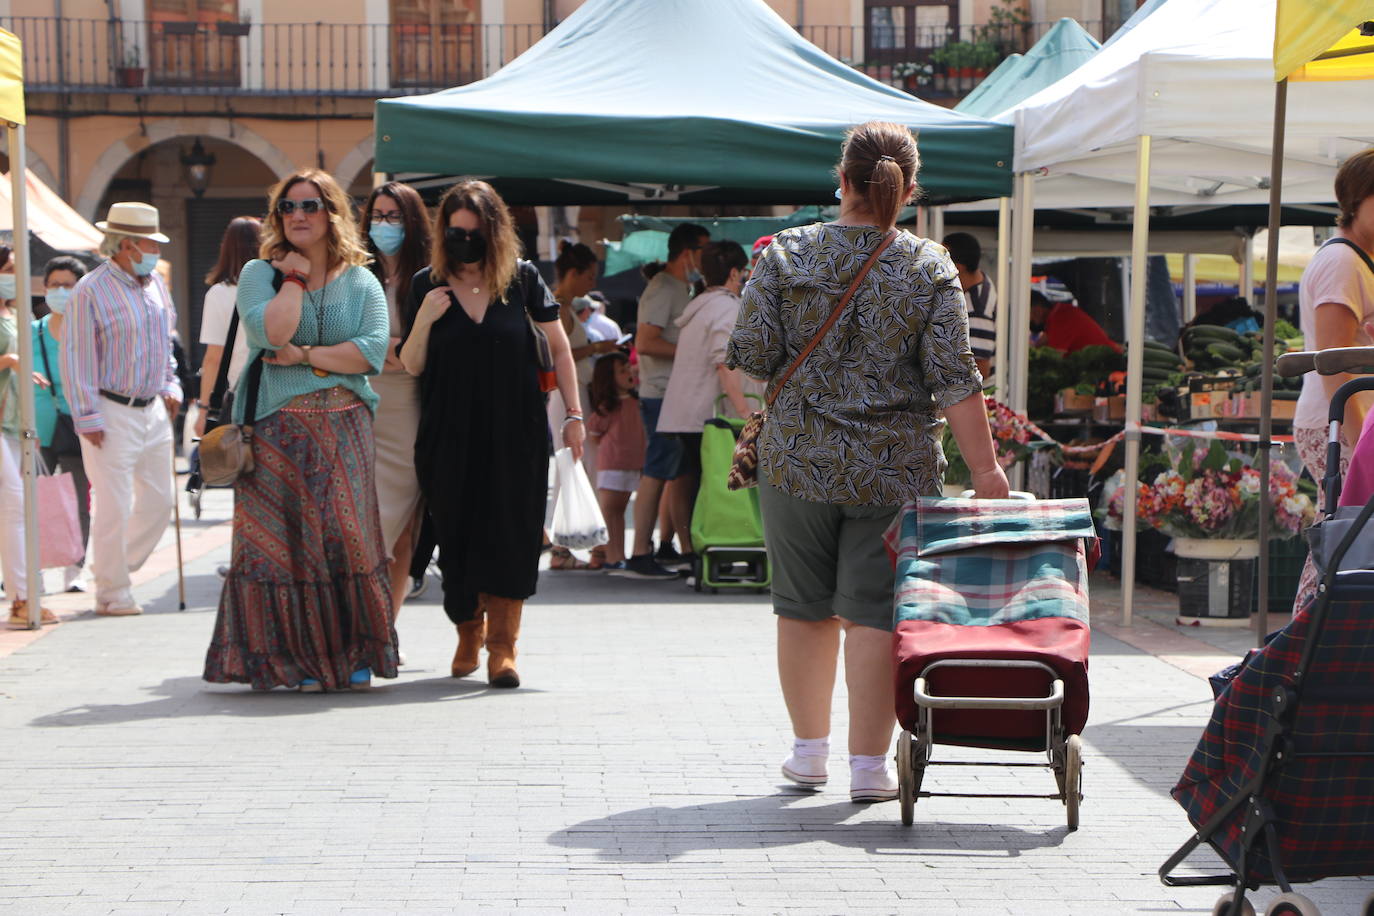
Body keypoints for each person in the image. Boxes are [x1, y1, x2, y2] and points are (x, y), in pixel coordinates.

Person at [726, 121, 1009, 803]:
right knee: (876, 616)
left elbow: (748, 361)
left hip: (797, 464)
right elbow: (958, 377)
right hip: (895, 470)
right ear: (909, 190)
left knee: (803, 612)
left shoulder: (785, 254)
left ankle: (808, 755)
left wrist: (783, 414)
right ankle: (868, 768)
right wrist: (990, 475)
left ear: (842, 179)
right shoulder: (929, 265)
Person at [202, 169, 397, 692]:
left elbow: (370, 353)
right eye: (287, 208)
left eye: (309, 206)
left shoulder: (361, 280)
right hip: (275, 430)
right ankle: (294, 660)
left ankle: (353, 652)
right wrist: (291, 278)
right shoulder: (257, 275)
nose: (298, 216)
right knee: (283, 548)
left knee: (347, 540)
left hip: (347, 425)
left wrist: (308, 357)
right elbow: (272, 332)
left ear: (332, 212)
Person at [400, 180, 584, 688]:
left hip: (517, 433)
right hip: (448, 434)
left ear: (495, 232)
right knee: (456, 536)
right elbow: (411, 364)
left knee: (513, 536)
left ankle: (503, 649)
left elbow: (561, 349)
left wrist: (574, 414)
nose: (464, 241)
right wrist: (425, 321)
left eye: (474, 233)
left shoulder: (522, 280)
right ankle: (467, 631)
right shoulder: (426, 284)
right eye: (455, 232)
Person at [62, 202, 182, 618]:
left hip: (152, 408)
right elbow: (76, 357)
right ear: (128, 244)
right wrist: (87, 415)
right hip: (110, 409)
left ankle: (111, 567)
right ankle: (113, 592)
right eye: (151, 242)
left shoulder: (156, 286)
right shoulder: (89, 290)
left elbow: (167, 343)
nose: (155, 249)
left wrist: (172, 383)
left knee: (160, 501)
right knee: (113, 505)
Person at [1290, 148, 1374, 614]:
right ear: (1359, 199)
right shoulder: (1343, 263)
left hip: (1347, 419)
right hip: (1339, 420)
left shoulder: (1358, 259)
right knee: (1342, 535)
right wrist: (1361, 442)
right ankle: (1305, 642)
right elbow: (1335, 366)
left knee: (1344, 534)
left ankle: (1308, 643)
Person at [656, 239, 756, 562]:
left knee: (684, 478)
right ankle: (697, 549)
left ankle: (689, 549)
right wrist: (744, 411)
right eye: (742, 272)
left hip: (682, 410)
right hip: (706, 413)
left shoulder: (698, 305)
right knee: (701, 482)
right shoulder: (725, 308)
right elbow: (724, 362)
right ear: (733, 273)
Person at [360, 181, 431, 629]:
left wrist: (394, 347)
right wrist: (391, 347)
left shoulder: (427, 274)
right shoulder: (353, 271)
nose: (384, 224)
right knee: (359, 521)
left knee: (403, 523)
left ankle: (386, 626)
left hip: (406, 403)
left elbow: (424, 349)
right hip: (357, 397)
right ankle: (364, 623)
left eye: (394, 216)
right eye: (378, 215)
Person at [624, 222, 710, 579]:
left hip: (675, 393)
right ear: (688, 253)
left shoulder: (682, 287)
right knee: (659, 469)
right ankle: (640, 551)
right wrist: (693, 353)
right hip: (659, 393)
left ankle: (678, 547)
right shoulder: (664, 287)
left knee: (680, 471)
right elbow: (645, 342)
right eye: (704, 250)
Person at [548, 241, 617, 571]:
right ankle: (570, 546)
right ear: (573, 274)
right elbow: (554, 357)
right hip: (567, 396)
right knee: (575, 464)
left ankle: (570, 546)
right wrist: (594, 349)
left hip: (570, 394)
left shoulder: (561, 305)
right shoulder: (557, 307)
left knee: (574, 464)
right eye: (589, 276)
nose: (593, 284)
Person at [0, 246, 58, 629]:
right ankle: (21, 597)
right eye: (8, 268)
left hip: (15, 420)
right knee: (15, 508)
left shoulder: (14, 312)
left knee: (18, 509)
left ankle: (23, 595)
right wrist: (9, 361)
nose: (14, 275)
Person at [34, 256, 91, 594]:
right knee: (34, 501)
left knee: (79, 500)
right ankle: (33, 568)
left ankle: (76, 568)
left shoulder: (88, 331)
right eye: (54, 285)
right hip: (37, 428)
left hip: (77, 425)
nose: (60, 291)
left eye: (67, 285)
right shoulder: (31, 332)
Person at [194, 217, 262, 439]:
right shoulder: (276, 287)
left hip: (240, 398)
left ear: (226, 248)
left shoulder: (219, 294)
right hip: (277, 393)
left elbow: (214, 357)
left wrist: (204, 410)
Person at [586, 352, 644, 572]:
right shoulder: (607, 407)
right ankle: (613, 555)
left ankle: (617, 555)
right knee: (612, 512)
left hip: (633, 464)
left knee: (618, 511)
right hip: (612, 465)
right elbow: (594, 433)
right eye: (622, 370)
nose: (629, 373)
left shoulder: (635, 401)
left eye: (628, 368)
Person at [941, 232, 997, 381]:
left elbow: (981, 369)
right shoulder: (981, 282)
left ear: (958, 267)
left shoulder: (977, 308)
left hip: (976, 395)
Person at [1029, 290, 1121, 354]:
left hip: (1108, 367)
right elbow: (1043, 343)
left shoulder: (1061, 317)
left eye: (1030, 315)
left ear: (1038, 308)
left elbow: (1053, 356)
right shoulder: (1058, 314)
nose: (1031, 320)